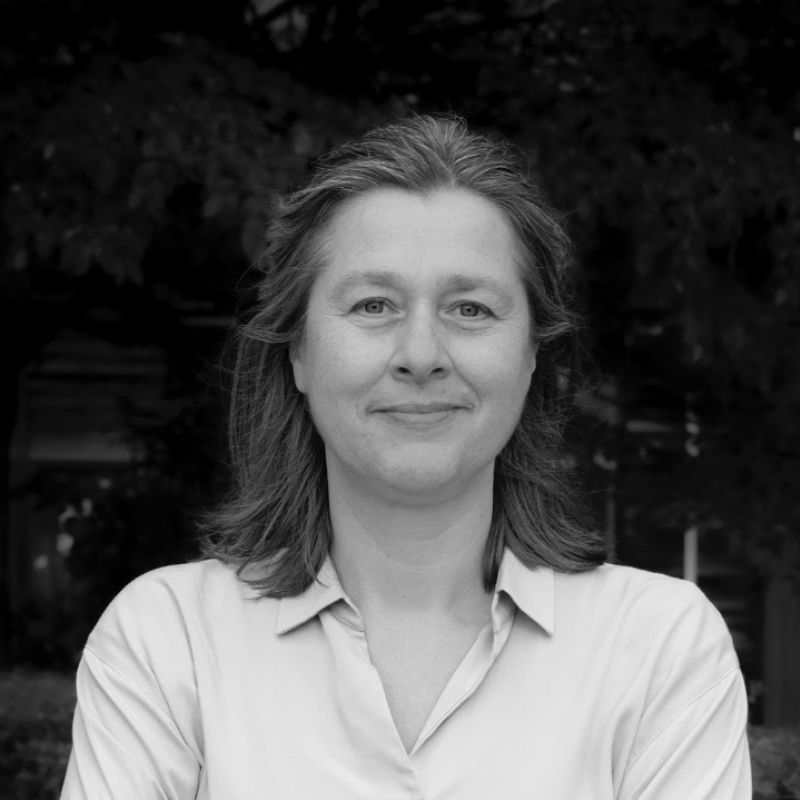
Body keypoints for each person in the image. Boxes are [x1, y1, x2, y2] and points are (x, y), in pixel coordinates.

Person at [61, 114, 751, 799]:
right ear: (299, 352)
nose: (421, 355)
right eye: (373, 305)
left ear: (532, 356)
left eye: (471, 309)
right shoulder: (169, 639)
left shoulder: (657, 647)